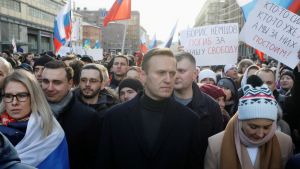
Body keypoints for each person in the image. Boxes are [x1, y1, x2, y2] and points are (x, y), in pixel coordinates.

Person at [97, 48, 208, 169]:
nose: (168, 79)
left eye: (172, 73)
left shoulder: (190, 121)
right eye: (161, 73)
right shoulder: (115, 117)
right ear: (143, 76)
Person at [205, 84, 293, 169]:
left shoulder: (285, 143)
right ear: (241, 121)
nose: (260, 134)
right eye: (253, 127)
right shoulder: (216, 144)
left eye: (266, 127)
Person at [0, 70, 69, 168]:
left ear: (34, 96)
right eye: (8, 96)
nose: (14, 102)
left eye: (21, 95)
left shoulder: (52, 133)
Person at [41, 61, 102, 169]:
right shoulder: (31, 111)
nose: (49, 88)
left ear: (70, 83)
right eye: (45, 81)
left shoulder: (88, 117)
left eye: (57, 82)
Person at [173, 51, 223, 137]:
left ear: (195, 74)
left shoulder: (212, 107)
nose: (176, 76)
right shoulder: (160, 103)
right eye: (172, 71)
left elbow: (215, 146)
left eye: (181, 71)